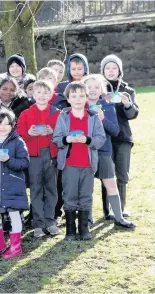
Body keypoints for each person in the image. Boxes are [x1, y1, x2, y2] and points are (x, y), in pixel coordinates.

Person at [52, 82, 106, 241]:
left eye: (82, 96)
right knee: (69, 195)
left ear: (86, 98)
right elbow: (56, 139)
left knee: (85, 195)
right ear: (68, 99)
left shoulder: (93, 117)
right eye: (73, 96)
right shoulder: (63, 117)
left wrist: (88, 140)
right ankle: (70, 230)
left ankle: (84, 229)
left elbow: (100, 139)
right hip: (69, 165)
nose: (78, 99)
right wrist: (66, 139)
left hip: (88, 165)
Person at [82, 74, 135, 229]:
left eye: (96, 87)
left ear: (102, 90)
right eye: (89, 87)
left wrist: (103, 118)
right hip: (85, 152)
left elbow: (115, 130)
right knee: (86, 187)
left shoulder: (107, 106)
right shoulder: (79, 106)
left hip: (104, 151)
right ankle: (88, 220)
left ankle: (119, 217)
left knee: (110, 183)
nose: (92, 90)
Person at [16, 81, 62, 238]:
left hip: (50, 154)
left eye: (45, 93)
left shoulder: (56, 113)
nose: (42, 96)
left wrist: (52, 131)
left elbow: (63, 134)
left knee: (51, 189)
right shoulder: (26, 114)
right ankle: (38, 224)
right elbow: (19, 135)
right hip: (34, 155)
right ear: (33, 94)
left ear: (50, 95)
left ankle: (50, 221)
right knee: (36, 189)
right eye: (38, 92)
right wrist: (29, 133)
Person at [0, 109, 30, 259]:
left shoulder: (17, 141)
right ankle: (0, 243)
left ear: (13, 125)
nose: (3, 127)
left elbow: (24, 162)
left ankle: (16, 246)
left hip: (12, 183)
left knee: (14, 213)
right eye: (0, 123)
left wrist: (8, 160)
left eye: (7, 124)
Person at [101, 54, 139, 219]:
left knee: (122, 174)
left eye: (114, 68)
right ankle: (107, 210)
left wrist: (127, 104)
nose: (111, 71)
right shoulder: (99, 89)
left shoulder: (128, 90)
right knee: (106, 173)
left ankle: (121, 209)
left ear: (119, 71)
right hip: (104, 137)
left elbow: (133, 114)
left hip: (123, 137)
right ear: (103, 71)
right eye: (107, 68)